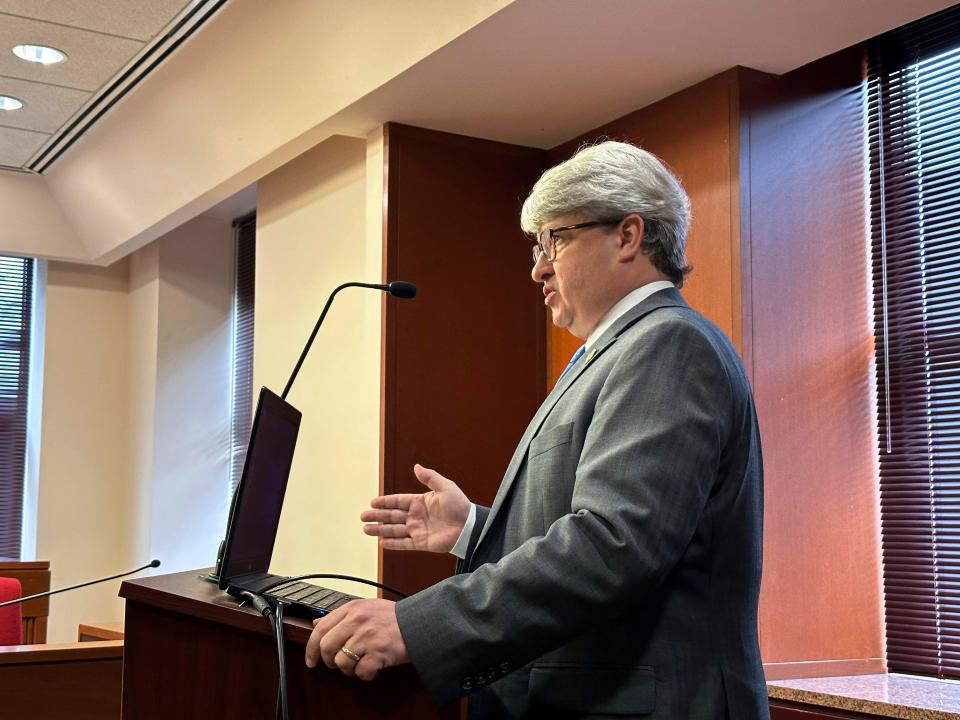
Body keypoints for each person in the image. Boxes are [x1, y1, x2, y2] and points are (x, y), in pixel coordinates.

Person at [305, 141, 768, 719]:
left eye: (557, 239)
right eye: (537, 245)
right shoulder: (612, 353)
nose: (538, 266)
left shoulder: (668, 344)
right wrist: (475, 529)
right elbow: (595, 528)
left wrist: (418, 626)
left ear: (628, 236)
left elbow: (612, 545)